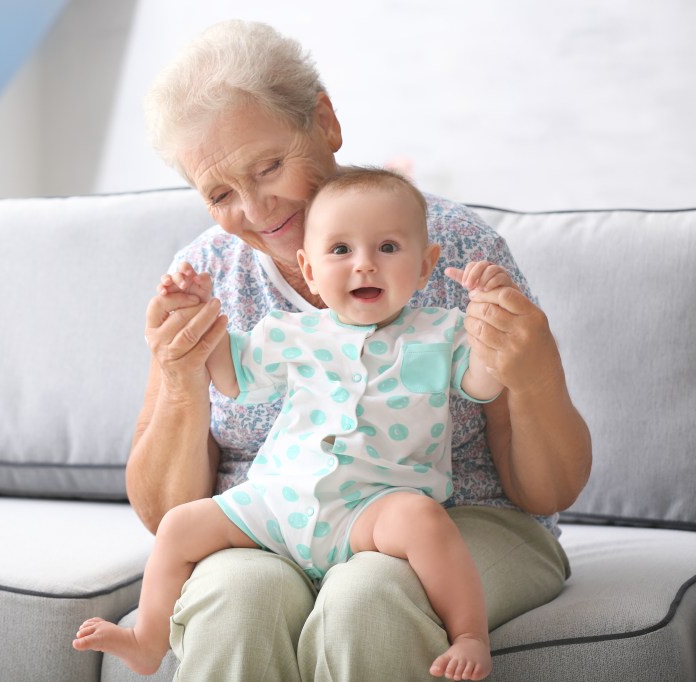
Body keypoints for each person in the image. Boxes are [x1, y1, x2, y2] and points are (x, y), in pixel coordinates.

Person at [111, 19, 591, 681]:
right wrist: (181, 375)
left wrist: (534, 374)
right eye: (220, 194)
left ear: (325, 122)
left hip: (456, 522)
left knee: (368, 597)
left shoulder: (445, 248)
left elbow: (548, 489)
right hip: (277, 524)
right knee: (234, 601)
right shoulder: (206, 277)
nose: (255, 209)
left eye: (269, 166)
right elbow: (167, 516)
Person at [74, 167, 510, 680]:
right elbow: (232, 375)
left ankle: (468, 634)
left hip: (370, 509)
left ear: (425, 266)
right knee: (180, 525)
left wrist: (493, 324)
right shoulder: (292, 333)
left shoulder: (442, 332)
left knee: (424, 521)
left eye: (388, 248)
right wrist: (200, 315)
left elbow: (482, 383)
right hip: (278, 504)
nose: (365, 265)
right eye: (341, 250)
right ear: (309, 268)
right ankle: (148, 639)